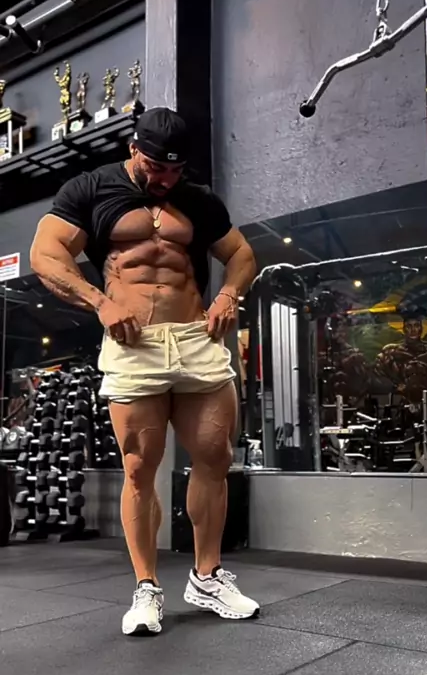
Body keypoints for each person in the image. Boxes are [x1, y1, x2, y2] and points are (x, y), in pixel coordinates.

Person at [30, 107, 260, 635]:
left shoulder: (198, 200)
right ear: (134, 150)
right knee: (139, 467)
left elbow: (242, 254)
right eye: (157, 168)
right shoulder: (91, 189)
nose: (166, 180)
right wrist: (100, 302)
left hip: (196, 338)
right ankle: (147, 587)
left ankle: (207, 576)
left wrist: (229, 293)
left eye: (175, 170)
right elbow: (45, 255)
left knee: (215, 458)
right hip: (133, 343)